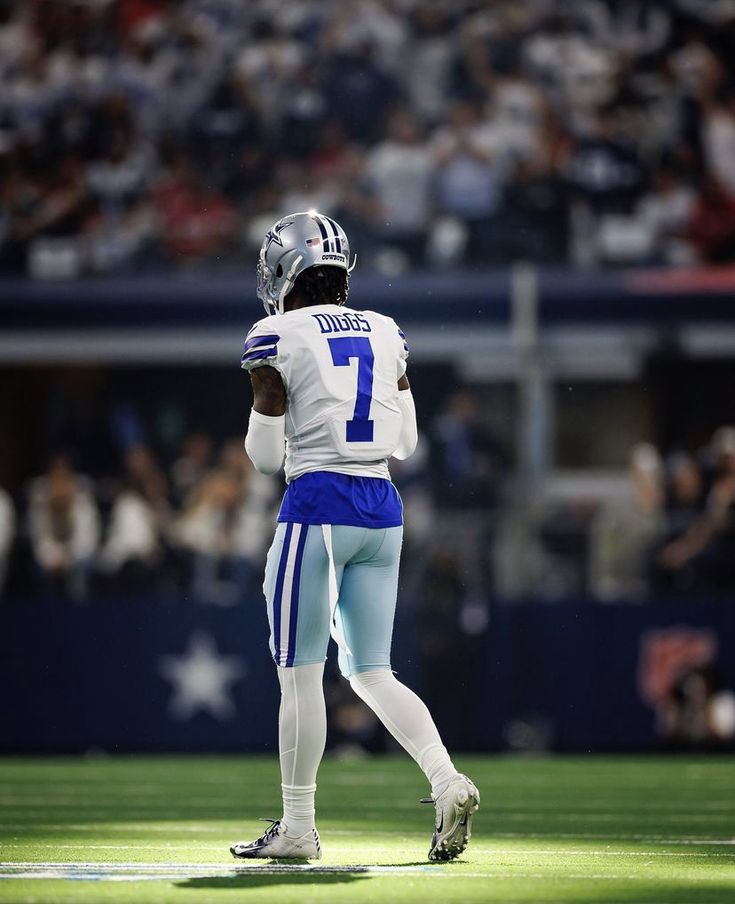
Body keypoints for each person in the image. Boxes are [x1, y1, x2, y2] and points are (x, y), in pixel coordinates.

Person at [230, 211, 479, 862]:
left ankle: (298, 827)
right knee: (372, 670)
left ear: (286, 269)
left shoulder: (275, 332)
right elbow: (406, 441)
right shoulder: (385, 331)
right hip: (382, 506)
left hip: (317, 501)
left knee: (299, 674)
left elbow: (261, 459)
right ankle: (446, 779)